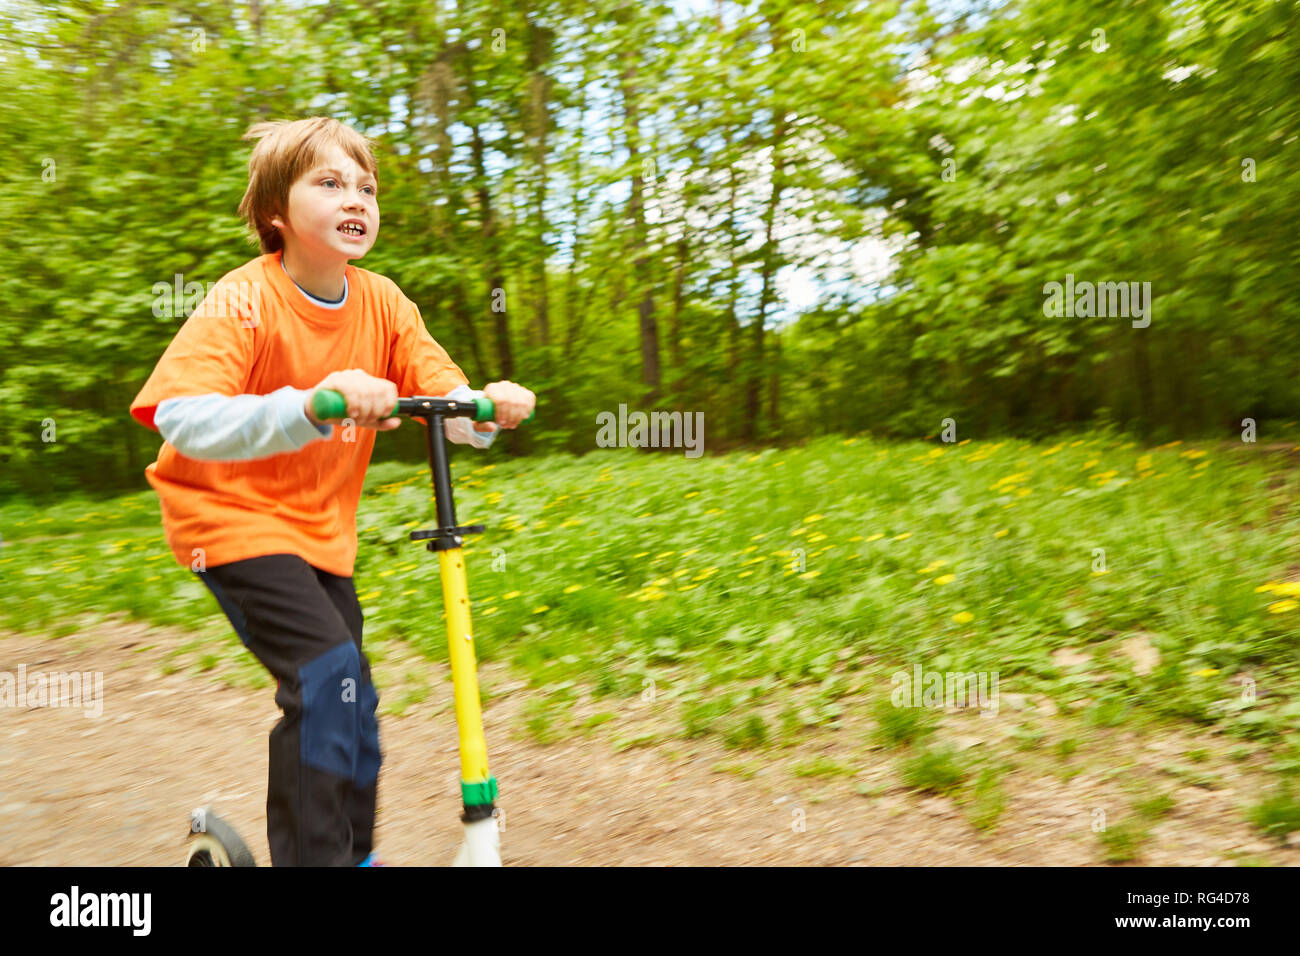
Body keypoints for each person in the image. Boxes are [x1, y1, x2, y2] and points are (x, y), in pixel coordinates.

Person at [128, 116, 535, 866]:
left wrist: (490, 407)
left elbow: (446, 404)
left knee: (356, 704)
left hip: (319, 534)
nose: (357, 198)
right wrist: (313, 402)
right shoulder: (242, 298)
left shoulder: (384, 303)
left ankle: (355, 857)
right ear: (276, 213)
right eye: (330, 182)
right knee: (325, 677)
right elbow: (183, 416)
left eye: (367, 187)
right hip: (226, 520)